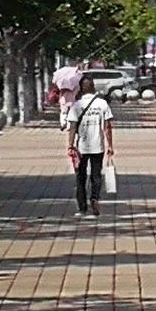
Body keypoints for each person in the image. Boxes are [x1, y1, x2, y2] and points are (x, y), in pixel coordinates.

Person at [68, 76, 116, 216]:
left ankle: (82, 207)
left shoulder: (76, 105)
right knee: (96, 176)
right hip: (98, 146)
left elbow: (72, 127)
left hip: (82, 147)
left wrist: (70, 145)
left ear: (82, 88)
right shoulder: (102, 104)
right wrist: (110, 145)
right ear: (93, 87)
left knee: (81, 177)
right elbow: (107, 127)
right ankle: (95, 198)